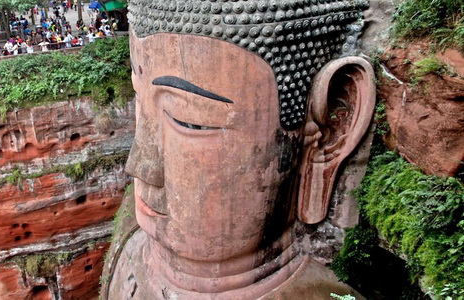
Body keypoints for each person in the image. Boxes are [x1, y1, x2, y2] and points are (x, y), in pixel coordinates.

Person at [102, 0, 375, 299]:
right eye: (139, 100)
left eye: (189, 121)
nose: (139, 166)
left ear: (329, 133)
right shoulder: (130, 245)